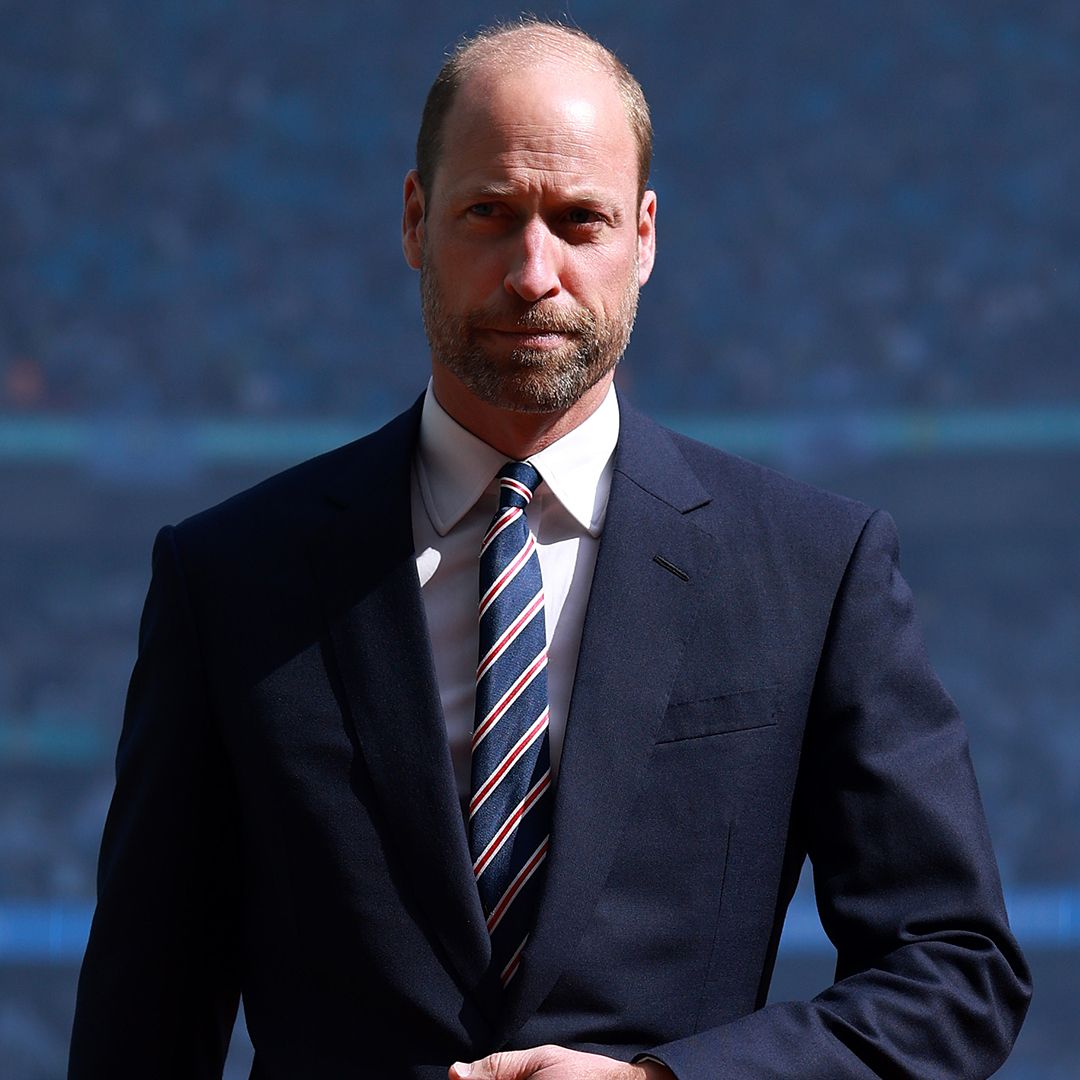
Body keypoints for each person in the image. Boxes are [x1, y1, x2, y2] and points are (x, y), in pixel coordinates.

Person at [69, 18, 1031, 1080]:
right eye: (490, 214)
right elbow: (142, 1020)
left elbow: (956, 968)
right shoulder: (228, 577)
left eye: (580, 221)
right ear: (415, 218)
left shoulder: (814, 568)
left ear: (644, 237)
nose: (535, 273)